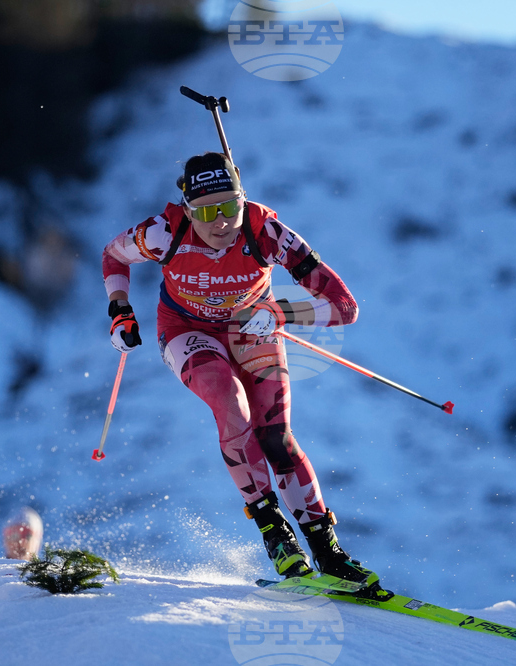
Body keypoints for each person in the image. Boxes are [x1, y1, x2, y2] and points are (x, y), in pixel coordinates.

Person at [101, 152, 379, 589]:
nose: (221, 222)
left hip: (252, 327)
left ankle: (328, 551)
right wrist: (120, 311)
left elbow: (345, 307)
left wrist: (280, 310)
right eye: (208, 212)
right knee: (228, 400)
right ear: (189, 210)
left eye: (230, 206)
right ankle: (276, 535)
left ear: (242, 200)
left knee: (277, 438)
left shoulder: (264, 231)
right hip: (186, 330)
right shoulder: (163, 233)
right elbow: (113, 256)